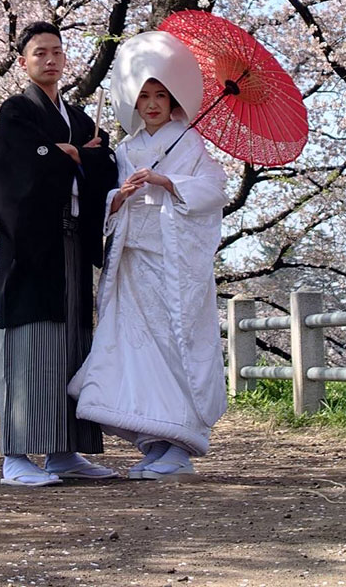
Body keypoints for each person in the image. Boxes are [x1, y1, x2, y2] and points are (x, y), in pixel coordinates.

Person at [69, 33, 228, 480]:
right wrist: (119, 198)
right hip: (134, 263)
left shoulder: (191, 145)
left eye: (160, 95)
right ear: (134, 103)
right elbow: (105, 202)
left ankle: (179, 446)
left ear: (173, 99)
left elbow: (215, 190)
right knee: (132, 352)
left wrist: (168, 183)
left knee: (173, 348)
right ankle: (155, 442)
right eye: (144, 96)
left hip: (173, 266)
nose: (153, 104)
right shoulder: (125, 149)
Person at [0, 21, 119, 487]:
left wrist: (74, 154)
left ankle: (64, 452)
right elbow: (18, 169)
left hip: (71, 242)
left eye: (57, 52)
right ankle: (17, 455)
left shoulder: (81, 118)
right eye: (39, 52)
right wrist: (66, 156)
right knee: (31, 344)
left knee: (71, 346)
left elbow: (104, 162)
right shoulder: (17, 111)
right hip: (31, 248)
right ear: (23, 62)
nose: (50, 59)